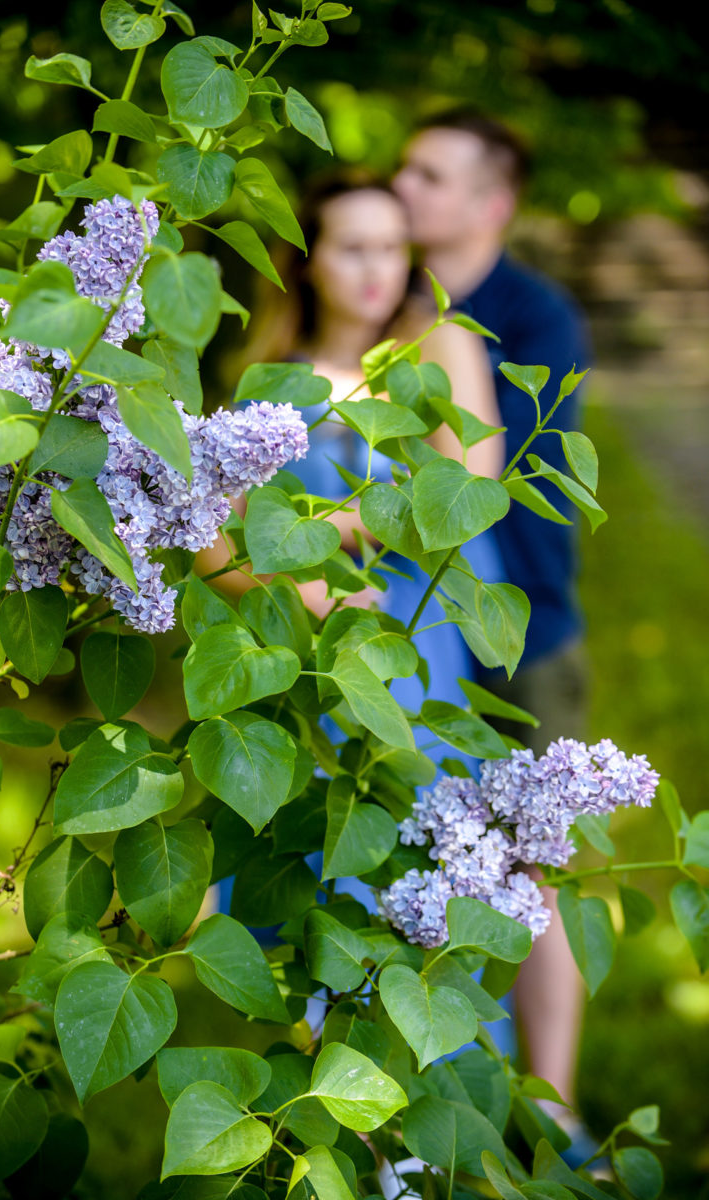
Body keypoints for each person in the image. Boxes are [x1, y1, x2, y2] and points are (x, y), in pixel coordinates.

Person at [393, 109, 592, 1137]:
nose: (405, 189)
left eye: (429, 175)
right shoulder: (390, 298)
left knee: (531, 872)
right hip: (413, 628)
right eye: (402, 172)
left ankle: (551, 1113)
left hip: (520, 627)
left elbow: (496, 488)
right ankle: (444, 1083)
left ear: (489, 202)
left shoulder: (532, 316)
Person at [212, 170, 506, 725]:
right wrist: (306, 589)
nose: (377, 269)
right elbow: (211, 537)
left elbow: (466, 488)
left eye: (392, 247)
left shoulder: (436, 345)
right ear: (307, 262)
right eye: (353, 249)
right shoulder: (269, 382)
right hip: (298, 634)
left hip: (412, 625)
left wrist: (292, 534)